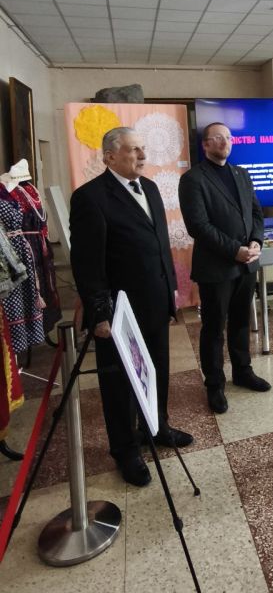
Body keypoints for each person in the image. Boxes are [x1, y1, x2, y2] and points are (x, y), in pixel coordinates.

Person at [70, 127, 193, 487]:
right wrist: (100, 314)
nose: (142, 155)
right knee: (119, 383)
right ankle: (125, 449)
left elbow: (159, 245)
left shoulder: (150, 188)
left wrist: (171, 291)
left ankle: (157, 426)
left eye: (143, 148)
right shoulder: (90, 198)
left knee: (156, 369)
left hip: (154, 301)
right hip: (119, 313)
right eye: (133, 149)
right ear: (109, 156)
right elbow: (87, 265)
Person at [178, 122, 270, 415]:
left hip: (247, 264)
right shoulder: (193, 179)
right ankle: (215, 384)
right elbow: (198, 226)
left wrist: (255, 241)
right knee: (214, 327)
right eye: (217, 138)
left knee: (241, 321)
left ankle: (243, 371)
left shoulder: (241, 174)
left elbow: (256, 212)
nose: (225, 142)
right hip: (217, 267)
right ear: (205, 144)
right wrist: (234, 250)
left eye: (228, 137)